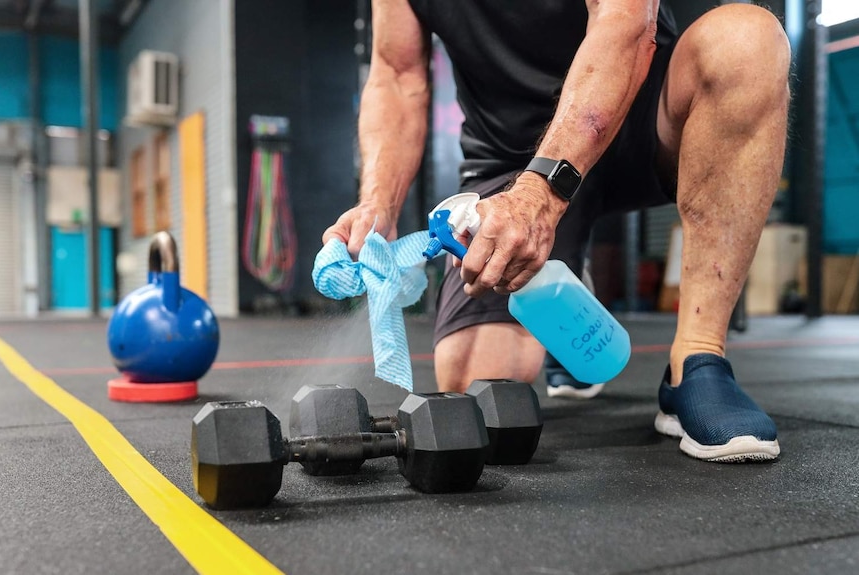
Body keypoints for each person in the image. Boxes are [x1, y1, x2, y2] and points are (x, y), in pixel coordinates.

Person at [323, 0, 790, 463]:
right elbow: (397, 74)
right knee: (478, 394)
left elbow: (626, 24)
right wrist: (378, 203)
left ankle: (697, 361)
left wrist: (541, 196)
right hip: (510, 157)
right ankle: (568, 291)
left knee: (745, 40)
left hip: (645, 118)